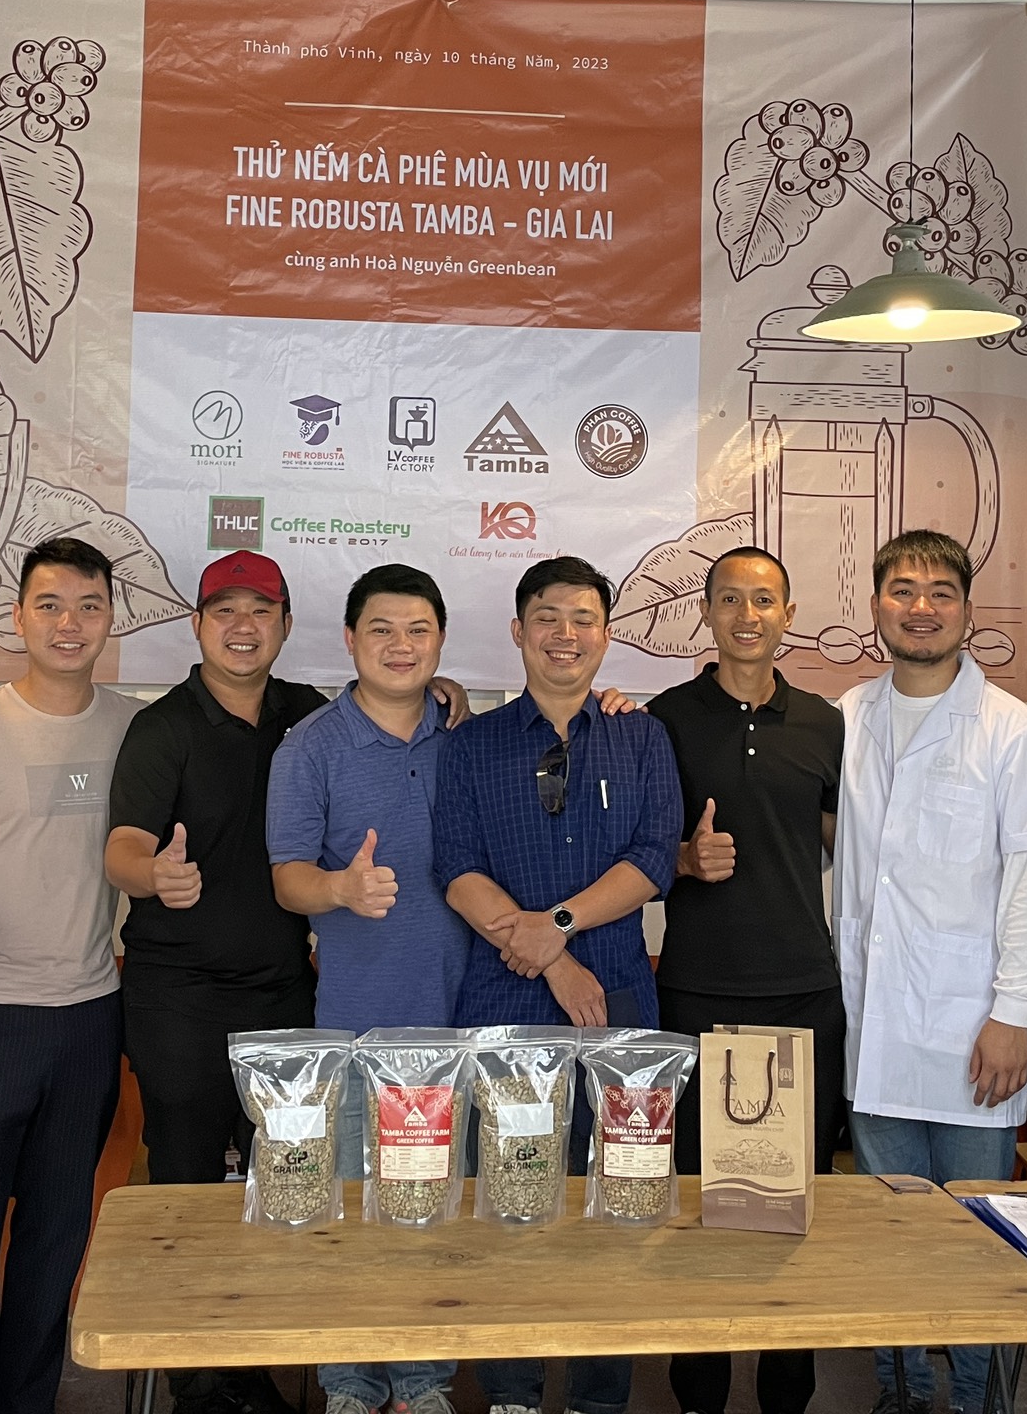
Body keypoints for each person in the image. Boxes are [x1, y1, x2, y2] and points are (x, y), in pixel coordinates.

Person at [434, 555, 682, 1414]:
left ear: (606, 635)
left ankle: (599, 1395)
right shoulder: (472, 744)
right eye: (547, 617)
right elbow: (457, 869)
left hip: (620, 1007)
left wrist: (561, 925)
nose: (564, 635)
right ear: (518, 631)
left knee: (619, 1204)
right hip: (504, 1007)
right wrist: (553, 956)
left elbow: (653, 860)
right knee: (514, 1203)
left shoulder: (642, 738)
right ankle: (511, 1389)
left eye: (583, 619)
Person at [836, 531, 1027, 1414]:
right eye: (902, 589)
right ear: (876, 606)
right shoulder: (847, 716)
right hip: (876, 1024)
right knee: (890, 1228)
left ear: (968, 609)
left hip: (977, 1022)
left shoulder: (1010, 728)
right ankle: (901, 1388)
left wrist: (1013, 1009)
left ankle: (978, 1398)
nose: (920, 606)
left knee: (980, 1232)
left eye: (940, 591)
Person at [0, 536, 142, 1414]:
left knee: (56, 1236)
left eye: (88, 605)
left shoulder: (135, 728)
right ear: (18, 616)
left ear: (110, 618)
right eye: (49, 605)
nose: (68, 623)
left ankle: (26, 1401)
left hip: (89, 1015)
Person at [267, 564, 473, 1414]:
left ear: (440, 642)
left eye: (418, 630)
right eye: (381, 629)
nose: (400, 645)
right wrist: (341, 891)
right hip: (356, 1027)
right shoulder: (310, 747)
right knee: (351, 1213)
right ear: (350, 640)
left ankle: (423, 1381)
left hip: (457, 1026)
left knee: (432, 1215)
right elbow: (287, 877)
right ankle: (349, 1383)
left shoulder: (466, 738)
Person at [647, 546, 845, 1414]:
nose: (747, 615)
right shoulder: (662, 720)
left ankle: (786, 1391)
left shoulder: (827, 724)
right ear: (706, 613)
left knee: (792, 1207)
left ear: (788, 614)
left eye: (764, 600)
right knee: (699, 1205)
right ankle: (698, 1391)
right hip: (697, 992)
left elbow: (850, 844)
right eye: (729, 599)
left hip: (803, 991)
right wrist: (684, 860)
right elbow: (636, 854)